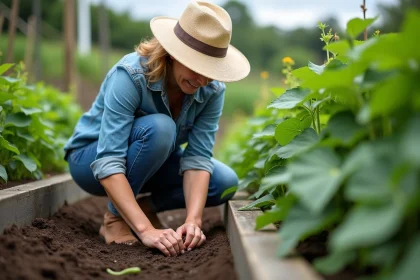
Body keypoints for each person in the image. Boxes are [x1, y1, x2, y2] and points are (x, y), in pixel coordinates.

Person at [64, 0, 250, 257]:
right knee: (161, 128)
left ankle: (146, 207)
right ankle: (114, 219)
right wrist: (145, 231)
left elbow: (198, 159)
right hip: (91, 160)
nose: (202, 80)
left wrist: (193, 221)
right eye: (197, 67)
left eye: (211, 71)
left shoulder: (212, 90)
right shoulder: (130, 74)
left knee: (224, 182)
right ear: (174, 54)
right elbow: (108, 160)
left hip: (152, 161)